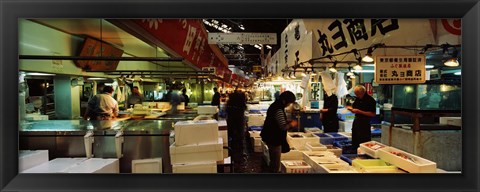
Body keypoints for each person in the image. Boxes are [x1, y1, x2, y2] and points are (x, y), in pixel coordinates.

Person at [260, 91, 298, 173]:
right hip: (274, 139)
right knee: (275, 163)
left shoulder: (275, 106)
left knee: (273, 161)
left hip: (270, 136)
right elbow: (283, 127)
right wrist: (292, 124)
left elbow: (276, 120)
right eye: (289, 103)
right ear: (284, 101)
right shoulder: (279, 109)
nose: (289, 105)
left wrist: (287, 120)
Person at [346, 85, 376, 150]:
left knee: (363, 142)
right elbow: (354, 107)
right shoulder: (357, 99)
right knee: (355, 141)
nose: (356, 95)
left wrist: (360, 111)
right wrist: (351, 109)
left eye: (357, 94)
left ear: (362, 92)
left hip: (364, 124)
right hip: (356, 122)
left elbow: (373, 114)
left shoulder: (370, 100)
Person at [226, 88, 247, 166]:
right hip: (238, 128)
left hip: (231, 127)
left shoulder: (230, 105)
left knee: (233, 141)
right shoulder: (240, 106)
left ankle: (234, 157)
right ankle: (238, 157)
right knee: (238, 141)